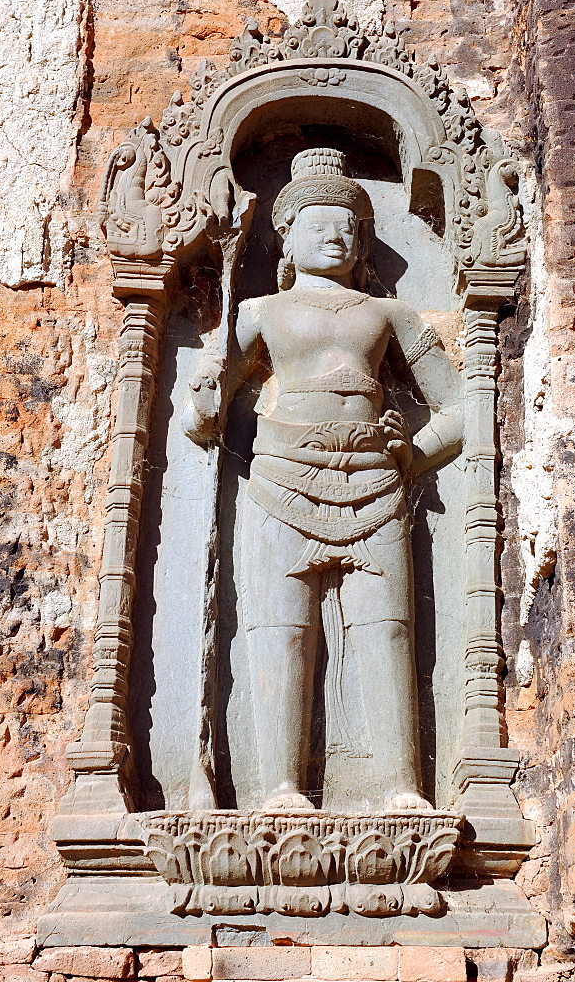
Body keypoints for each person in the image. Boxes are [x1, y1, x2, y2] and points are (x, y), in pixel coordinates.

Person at [184, 147, 464, 812]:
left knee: (387, 631)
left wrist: (414, 451)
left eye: (347, 225)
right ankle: (280, 787)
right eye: (318, 224)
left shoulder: (388, 316)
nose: (335, 235)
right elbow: (208, 413)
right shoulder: (256, 313)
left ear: (363, 238)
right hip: (281, 480)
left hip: (375, 480)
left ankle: (403, 788)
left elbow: (462, 407)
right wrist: (206, 403)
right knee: (281, 632)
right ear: (286, 236)